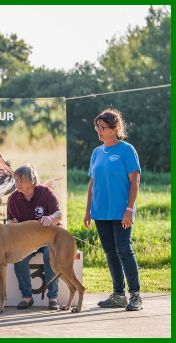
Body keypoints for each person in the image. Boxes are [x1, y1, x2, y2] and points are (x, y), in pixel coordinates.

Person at [83, 108, 142, 311]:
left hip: (121, 211)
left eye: (102, 127)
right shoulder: (96, 152)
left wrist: (129, 208)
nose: (98, 131)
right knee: (110, 252)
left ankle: (135, 296)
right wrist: (87, 210)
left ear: (115, 128)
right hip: (100, 212)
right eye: (97, 127)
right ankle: (118, 295)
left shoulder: (126, 150)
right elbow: (93, 183)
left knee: (124, 250)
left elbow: (135, 181)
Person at [6, 164, 62, 310]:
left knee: (50, 254)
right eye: (16, 181)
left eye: (21, 181)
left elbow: (58, 214)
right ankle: (27, 297)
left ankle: (53, 297)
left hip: (47, 239)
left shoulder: (46, 192)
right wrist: (11, 223)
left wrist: (50, 218)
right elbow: (9, 220)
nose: (17, 184)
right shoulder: (13, 198)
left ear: (32, 181)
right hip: (25, 241)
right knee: (19, 257)